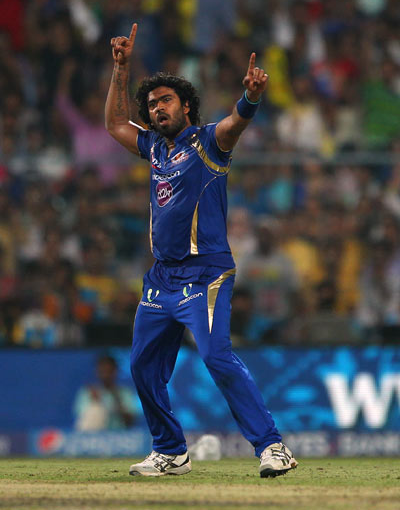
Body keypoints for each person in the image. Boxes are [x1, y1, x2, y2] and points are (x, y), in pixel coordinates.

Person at [104, 24, 297, 478]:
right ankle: (170, 451)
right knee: (142, 366)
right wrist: (121, 68)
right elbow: (114, 123)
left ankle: (273, 447)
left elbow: (235, 124)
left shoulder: (208, 142)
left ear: (185, 105)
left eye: (165, 100)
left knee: (215, 355)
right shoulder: (153, 148)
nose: (156, 108)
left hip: (205, 273)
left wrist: (250, 98)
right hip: (161, 278)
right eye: (151, 105)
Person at [73, 354, 138, 431]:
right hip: (95, 436)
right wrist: (96, 401)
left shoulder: (125, 393)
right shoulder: (88, 392)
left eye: (109, 371)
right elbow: (81, 418)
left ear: (115, 371)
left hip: (119, 435)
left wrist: (117, 402)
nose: (106, 375)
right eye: (103, 371)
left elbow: (131, 420)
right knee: (95, 409)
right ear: (97, 372)